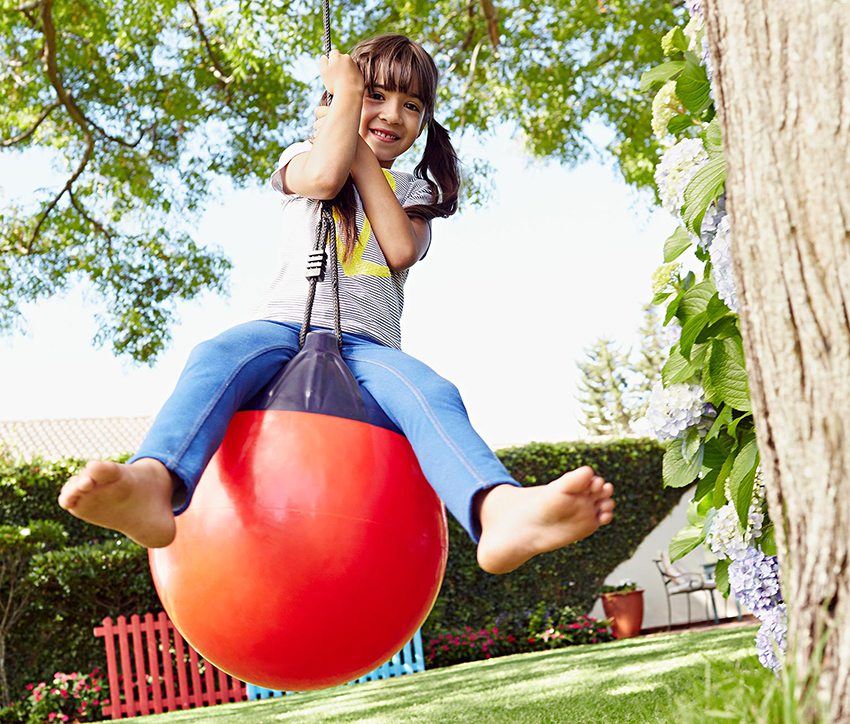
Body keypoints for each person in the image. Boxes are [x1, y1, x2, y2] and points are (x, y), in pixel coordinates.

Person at [58, 34, 615, 575]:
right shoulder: (301, 155)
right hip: (281, 328)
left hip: (369, 349)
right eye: (376, 95)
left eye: (411, 105)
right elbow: (324, 178)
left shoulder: (414, 191)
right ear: (339, 99)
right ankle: (153, 483)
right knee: (215, 355)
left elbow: (399, 248)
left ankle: (498, 510)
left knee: (434, 393)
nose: (393, 114)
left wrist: (358, 148)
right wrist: (343, 103)